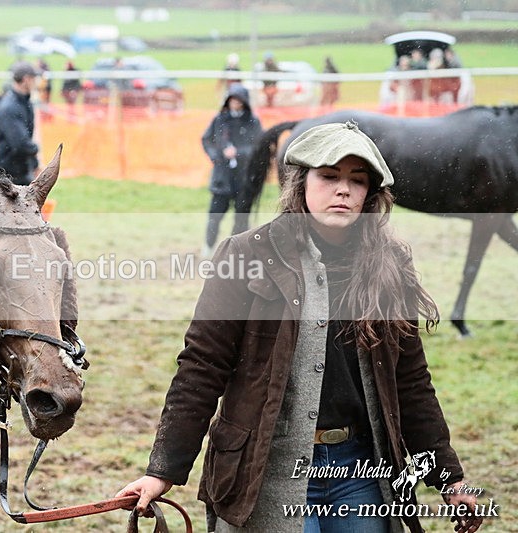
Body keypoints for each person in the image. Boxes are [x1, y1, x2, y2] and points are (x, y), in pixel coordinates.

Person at [117, 121, 484, 533]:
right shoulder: (245, 254)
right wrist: (162, 470)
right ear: (300, 182)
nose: (343, 189)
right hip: (266, 469)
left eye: (357, 180)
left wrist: (450, 478)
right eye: (329, 176)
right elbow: (201, 367)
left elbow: (410, 380)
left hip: (361, 471)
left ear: (370, 194)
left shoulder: (389, 264)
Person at [200, 84, 263, 258]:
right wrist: (217, 156)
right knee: (215, 216)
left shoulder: (253, 121)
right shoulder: (219, 119)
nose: (235, 103)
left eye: (238, 100)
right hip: (222, 178)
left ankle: (237, 253)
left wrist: (240, 153)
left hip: (243, 179)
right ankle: (208, 248)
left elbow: (259, 146)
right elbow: (206, 140)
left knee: (242, 219)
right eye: (232, 99)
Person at [0, 61, 39, 186]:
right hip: (3, 175)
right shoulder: (9, 107)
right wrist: (35, 151)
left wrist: (33, 163)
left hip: (18, 170)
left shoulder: (25, 103)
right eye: (34, 78)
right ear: (26, 79)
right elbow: (20, 143)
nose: (36, 81)